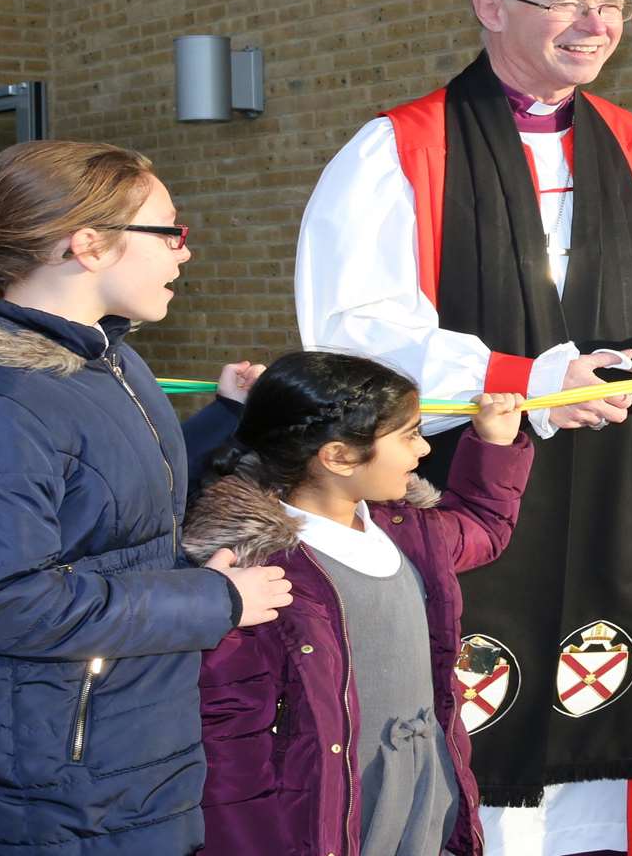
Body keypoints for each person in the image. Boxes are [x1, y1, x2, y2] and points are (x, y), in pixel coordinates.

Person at [295, 0, 632, 855]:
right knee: (472, 697)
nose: (595, 26)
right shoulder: (398, 150)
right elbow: (350, 330)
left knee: (615, 687)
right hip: (462, 476)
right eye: (569, 5)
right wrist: (525, 380)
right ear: (490, 9)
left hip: (621, 479)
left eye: (613, 8)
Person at [0, 141, 294, 855]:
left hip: (121, 725)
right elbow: (2, 601)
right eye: (170, 230)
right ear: (87, 244)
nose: (184, 252)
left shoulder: (101, 355)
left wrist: (221, 419)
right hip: (49, 764)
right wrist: (217, 602)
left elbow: (109, 494)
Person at [183, 352, 534, 856]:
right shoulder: (254, 572)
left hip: (426, 790)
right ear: (339, 456)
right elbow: (229, 733)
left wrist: (495, 444)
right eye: (409, 434)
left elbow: (483, 529)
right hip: (332, 816)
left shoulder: (410, 530)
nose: (424, 448)